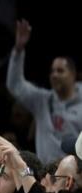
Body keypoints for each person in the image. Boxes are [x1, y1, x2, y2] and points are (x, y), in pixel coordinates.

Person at [7, 19, 82, 164]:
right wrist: (18, 50)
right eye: (52, 71)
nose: (54, 75)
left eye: (60, 71)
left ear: (73, 75)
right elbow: (15, 85)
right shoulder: (42, 100)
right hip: (46, 172)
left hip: (76, 172)